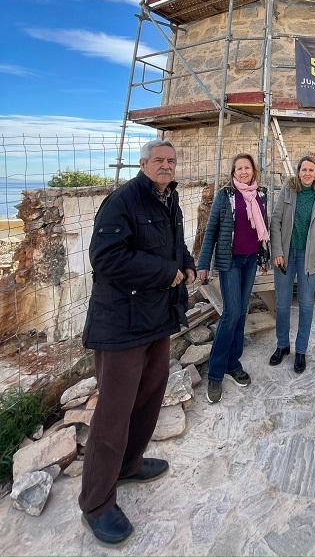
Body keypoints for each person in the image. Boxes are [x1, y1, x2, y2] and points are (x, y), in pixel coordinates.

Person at [79, 138, 195, 545]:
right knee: (113, 413)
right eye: (158, 160)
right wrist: (166, 272)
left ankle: (129, 466)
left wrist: (186, 263)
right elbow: (106, 258)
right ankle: (95, 503)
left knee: (149, 397)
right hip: (120, 326)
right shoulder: (122, 201)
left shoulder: (169, 200)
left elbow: (173, 245)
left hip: (154, 320)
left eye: (171, 160)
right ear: (143, 164)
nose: (166, 165)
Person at [197, 153, 269, 404]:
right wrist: (203, 264)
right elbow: (212, 231)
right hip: (230, 262)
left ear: (253, 171)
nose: (243, 172)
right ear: (233, 172)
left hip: (250, 261)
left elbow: (263, 228)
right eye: (238, 168)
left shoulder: (260, 194)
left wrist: (263, 258)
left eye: (247, 168)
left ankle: (232, 363)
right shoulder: (225, 196)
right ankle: (215, 374)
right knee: (231, 313)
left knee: (242, 311)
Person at [269, 156, 315, 373]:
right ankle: (282, 345)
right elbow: (276, 221)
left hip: (310, 257)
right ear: (298, 172)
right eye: (304, 170)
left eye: (311, 170)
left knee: (306, 304)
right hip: (286, 255)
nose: (307, 173)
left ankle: (301, 350)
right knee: (282, 303)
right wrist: (277, 251)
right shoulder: (288, 192)